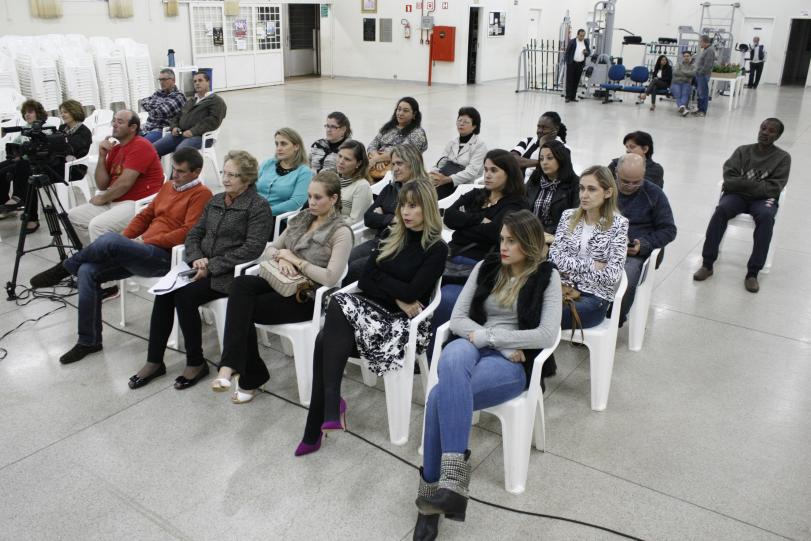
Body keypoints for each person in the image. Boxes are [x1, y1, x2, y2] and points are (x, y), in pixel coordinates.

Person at [411, 210, 562, 540]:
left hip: (511, 363)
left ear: (529, 243)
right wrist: (494, 340)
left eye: (512, 241)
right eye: (502, 239)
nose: (503, 247)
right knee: (453, 357)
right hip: (476, 342)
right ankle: (451, 487)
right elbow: (458, 319)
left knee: (437, 397)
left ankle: (431, 498)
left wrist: (495, 340)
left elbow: (547, 334)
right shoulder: (487, 266)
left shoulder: (547, 276)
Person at [295, 179, 447, 456]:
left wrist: (388, 286)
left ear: (427, 208)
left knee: (329, 327)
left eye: (413, 206)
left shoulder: (437, 248)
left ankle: (323, 417)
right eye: (403, 205)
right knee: (328, 329)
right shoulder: (392, 233)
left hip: (401, 324)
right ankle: (327, 409)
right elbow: (365, 278)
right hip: (374, 310)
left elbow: (412, 292)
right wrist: (397, 295)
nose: (406, 212)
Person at [29, 148, 213, 365]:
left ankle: (66, 267)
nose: (174, 175)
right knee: (88, 270)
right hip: (143, 251)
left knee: (109, 239)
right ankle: (89, 341)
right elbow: (145, 216)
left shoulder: (202, 194)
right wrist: (125, 242)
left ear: (196, 172)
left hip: (165, 257)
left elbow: (188, 232)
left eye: (181, 171)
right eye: (173, 169)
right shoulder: (169, 186)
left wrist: (143, 241)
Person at [128, 150, 272, 390]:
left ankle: (195, 362)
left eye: (233, 175)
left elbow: (252, 248)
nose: (225, 179)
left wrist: (212, 266)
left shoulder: (258, 206)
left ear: (247, 179)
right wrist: (197, 258)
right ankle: (154, 360)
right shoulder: (216, 200)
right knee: (164, 293)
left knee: (185, 296)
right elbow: (194, 233)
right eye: (224, 173)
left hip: (229, 274)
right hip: (200, 265)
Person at [212, 171, 354, 402]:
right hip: (280, 280)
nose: (311, 202)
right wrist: (282, 258)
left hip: (307, 296)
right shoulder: (302, 218)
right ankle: (234, 368)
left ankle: (243, 373)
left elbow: (330, 278)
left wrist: (296, 260)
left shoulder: (341, 232)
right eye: (310, 196)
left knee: (242, 310)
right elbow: (270, 249)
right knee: (240, 285)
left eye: (318, 197)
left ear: (334, 198)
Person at [429, 149, 529, 358]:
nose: (488, 175)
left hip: (478, 265)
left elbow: (495, 233)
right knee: (416, 288)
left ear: (509, 173)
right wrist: (478, 220)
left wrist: (465, 224)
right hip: (450, 257)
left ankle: (433, 358)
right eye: (486, 169)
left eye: (494, 170)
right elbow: (449, 217)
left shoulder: (516, 205)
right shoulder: (477, 194)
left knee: (445, 300)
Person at [693, 118, 790, 293]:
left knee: (766, 217)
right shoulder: (743, 151)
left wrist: (744, 183)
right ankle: (707, 264)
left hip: (762, 200)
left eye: (771, 131)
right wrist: (756, 186)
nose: (765, 132)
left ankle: (753, 273)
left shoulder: (782, 158)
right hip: (737, 196)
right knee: (721, 210)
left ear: (777, 136)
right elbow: (729, 178)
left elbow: (774, 187)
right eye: (763, 128)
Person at [67, 110, 164, 246]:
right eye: (114, 120)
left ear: (133, 127)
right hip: (115, 199)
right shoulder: (116, 149)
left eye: (120, 122)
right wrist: (102, 156)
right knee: (74, 216)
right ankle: (93, 253)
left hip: (137, 203)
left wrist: (102, 199)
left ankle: (102, 257)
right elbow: (102, 185)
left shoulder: (141, 145)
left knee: (97, 225)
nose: (114, 124)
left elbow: (124, 184)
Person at [549, 165, 628, 329]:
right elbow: (554, 259)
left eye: (592, 189)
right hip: (560, 288)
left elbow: (612, 275)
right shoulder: (568, 216)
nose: (584, 195)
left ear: (608, 192)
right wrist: (592, 265)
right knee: (524, 304)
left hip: (594, 297)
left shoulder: (619, 224)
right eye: (582, 188)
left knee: (544, 314)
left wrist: (570, 267)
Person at [0, 99, 91, 232]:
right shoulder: (62, 128)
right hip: (57, 163)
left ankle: (26, 210)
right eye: (62, 112)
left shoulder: (84, 131)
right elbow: (54, 146)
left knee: (29, 170)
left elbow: (69, 149)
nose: (63, 115)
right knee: (25, 165)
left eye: (66, 112)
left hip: (73, 169)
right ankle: (22, 206)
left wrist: (50, 145)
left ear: (75, 112)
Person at [344, 144, 427, 284]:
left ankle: (347, 296)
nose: (395, 168)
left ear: (413, 163)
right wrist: (392, 218)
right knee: (346, 259)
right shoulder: (390, 188)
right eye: (393, 164)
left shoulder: (423, 192)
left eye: (399, 163)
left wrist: (382, 216)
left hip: (402, 247)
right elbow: (368, 218)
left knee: (356, 268)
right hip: (380, 240)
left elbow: (412, 226)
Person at [614, 153, 676, 325]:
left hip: (635, 253)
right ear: (616, 173)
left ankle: (614, 320)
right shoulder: (605, 189)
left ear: (643, 175)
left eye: (636, 182)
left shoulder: (654, 194)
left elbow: (669, 230)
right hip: (604, 244)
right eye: (625, 181)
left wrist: (643, 244)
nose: (630, 186)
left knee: (626, 277)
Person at [151, 70, 227, 157]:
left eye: (200, 80)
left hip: (201, 136)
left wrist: (193, 131)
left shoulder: (216, 101)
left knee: (180, 152)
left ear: (208, 82)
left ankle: (180, 166)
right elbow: (177, 116)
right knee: (152, 149)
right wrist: (174, 127)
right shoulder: (191, 101)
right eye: (195, 81)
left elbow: (213, 121)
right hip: (181, 134)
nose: (197, 83)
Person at [429, 106, 487, 199]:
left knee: (435, 195)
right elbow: (440, 163)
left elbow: (471, 172)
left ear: (474, 126)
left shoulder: (480, 145)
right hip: (444, 178)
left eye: (466, 122)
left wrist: (448, 179)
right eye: (459, 120)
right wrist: (433, 174)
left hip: (464, 183)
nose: (461, 124)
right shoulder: (452, 142)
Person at [256, 127, 313, 222]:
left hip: (278, 220)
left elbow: (295, 203)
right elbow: (252, 187)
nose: (279, 148)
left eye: (283, 144)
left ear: (296, 147)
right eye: (277, 144)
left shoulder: (304, 172)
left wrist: (266, 211)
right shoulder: (268, 163)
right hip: (255, 213)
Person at [526, 140, 580, 241]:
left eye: (550, 158)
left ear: (561, 158)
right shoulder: (535, 179)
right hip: (529, 235)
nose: (544, 162)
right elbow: (522, 207)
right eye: (541, 159)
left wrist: (548, 235)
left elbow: (575, 218)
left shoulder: (575, 183)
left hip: (556, 239)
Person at [366, 97, 428, 181]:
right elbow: (372, 145)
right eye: (399, 109)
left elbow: (402, 154)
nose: (400, 113)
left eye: (405, 111)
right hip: (377, 164)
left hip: (399, 169)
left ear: (414, 114)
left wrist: (376, 159)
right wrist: (376, 157)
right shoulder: (388, 127)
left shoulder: (418, 133)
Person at [511, 111, 568, 180]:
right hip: (517, 185)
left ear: (556, 129)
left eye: (544, 128)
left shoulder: (564, 148)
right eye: (538, 127)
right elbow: (511, 159)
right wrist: (539, 163)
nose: (540, 131)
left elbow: (553, 170)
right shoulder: (528, 141)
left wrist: (543, 142)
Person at [140, 68, 187, 141]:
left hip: (161, 130)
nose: (161, 82)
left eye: (164, 79)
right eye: (160, 80)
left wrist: (152, 107)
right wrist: (159, 105)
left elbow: (161, 111)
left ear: (173, 80)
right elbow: (143, 102)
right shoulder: (159, 92)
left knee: (140, 144)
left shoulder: (178, 96)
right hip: (147, 128)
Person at [335, 140, 372, 224]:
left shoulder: (362, 186)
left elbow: (355, 221)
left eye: (347, 159)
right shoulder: (333, 179)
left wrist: (328, 225)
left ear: (358, 163)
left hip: (345, 229)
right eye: (340, 156)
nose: (341, 161)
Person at [564, 29, 591, 103]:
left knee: (576, 81)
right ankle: (568, 97)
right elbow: (567, 53)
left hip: (580, 64)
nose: (582, 37)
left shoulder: (585, 42)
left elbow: (589, 52)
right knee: (570, 80)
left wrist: (586, 52)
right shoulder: (572, 42)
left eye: (583, 36)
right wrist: (568, 62)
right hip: (572, 64)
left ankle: (573, 97)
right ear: (577, 35)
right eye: (581, 36)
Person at [693, 35, 715, 117]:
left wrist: (700, 73)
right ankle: (699, 109)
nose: (699, 43)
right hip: (700, 75)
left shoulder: (710, 50)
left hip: (703, 75)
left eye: (700, 42)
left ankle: (702, 111)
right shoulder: (706, 49)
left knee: (703, 94)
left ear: (704, 41)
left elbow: (708, 65)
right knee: (700, 93)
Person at [671, 51, 696, 116]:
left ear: (690, 57)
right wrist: (687, 73)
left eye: (687, 56)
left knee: (685, 94)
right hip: (676, 83)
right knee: (678, 95)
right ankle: (683, 108)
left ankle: (682, 107)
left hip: (686, 83)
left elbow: (693, 74)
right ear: (683, 57)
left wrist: (681, 71)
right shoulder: (678, 64)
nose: (686, 57)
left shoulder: (693, 66)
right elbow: (675, 72)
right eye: (684, 56)